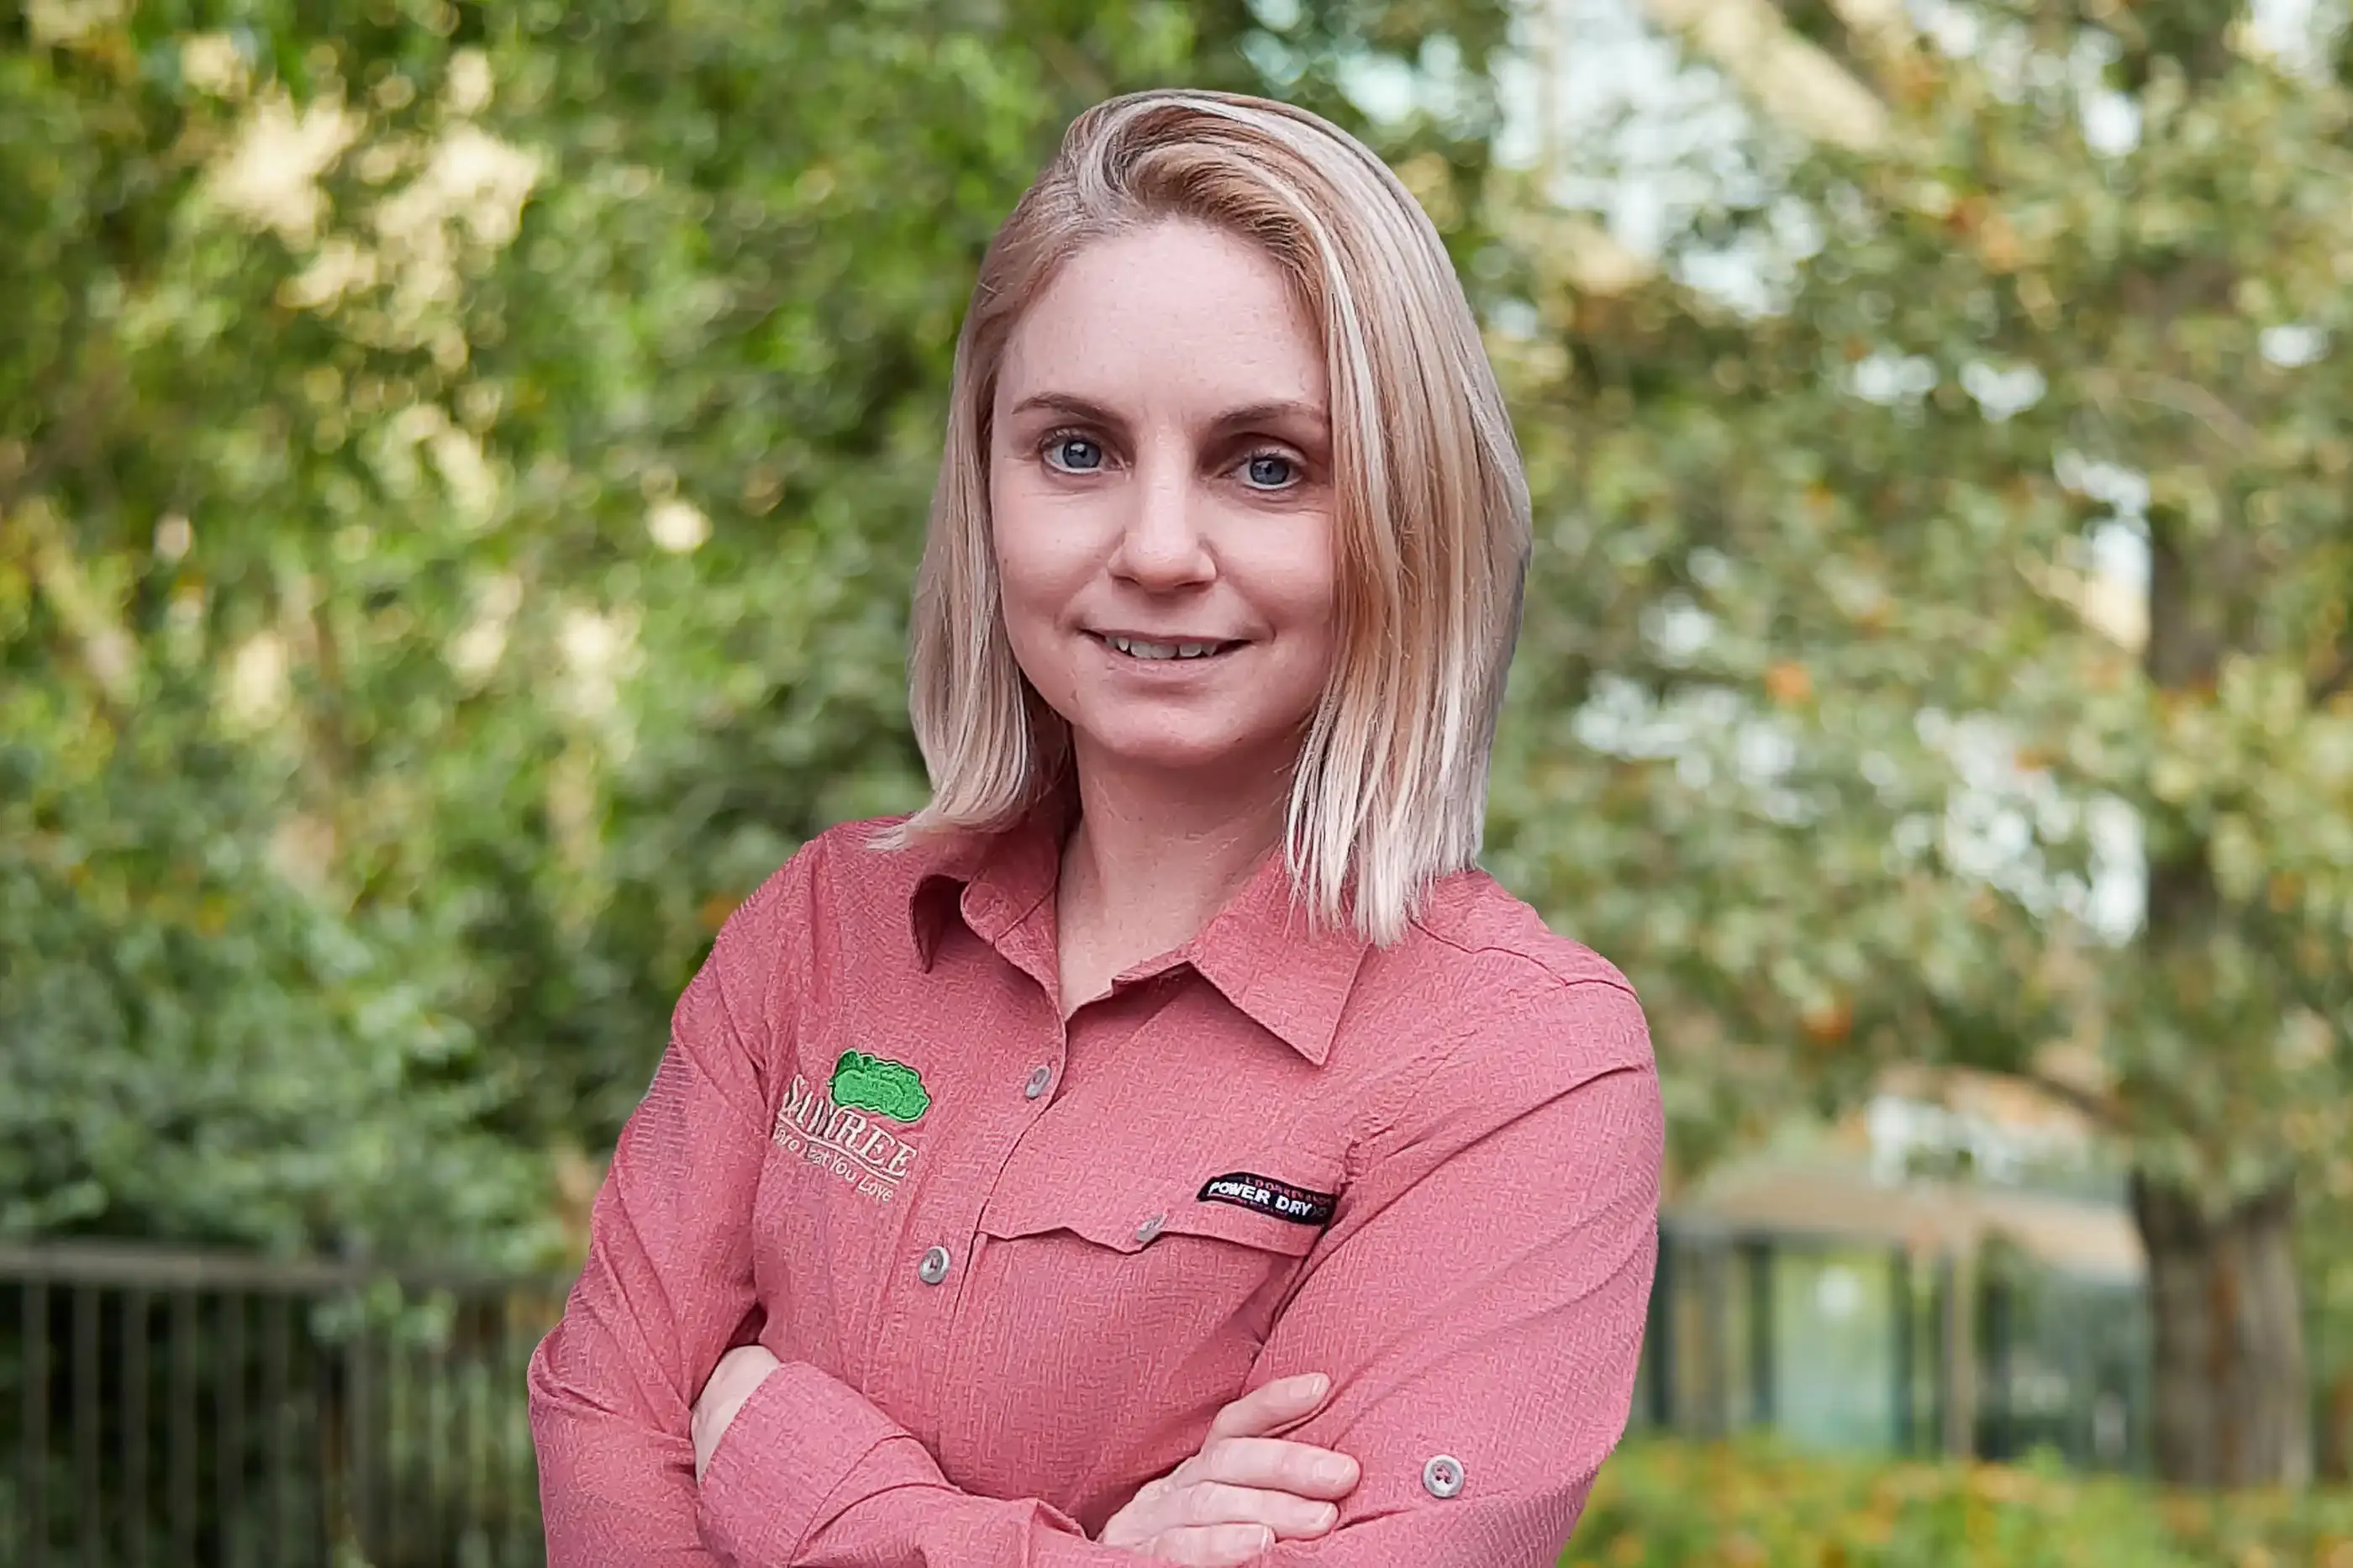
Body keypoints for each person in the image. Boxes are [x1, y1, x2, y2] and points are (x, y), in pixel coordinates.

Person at [529, 87, 1663, 1567]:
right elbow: (602, 1436)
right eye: (1077, 450)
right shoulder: (823, 931)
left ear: (1406, 513)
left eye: (1268, 464)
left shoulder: (1521, 1065)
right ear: (984, 484)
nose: (1157, 551)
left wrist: (788, 1455)